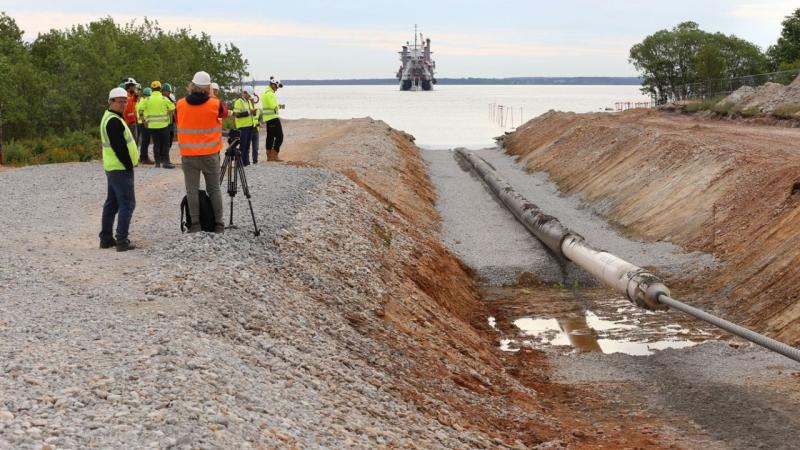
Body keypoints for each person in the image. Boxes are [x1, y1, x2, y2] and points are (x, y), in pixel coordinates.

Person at [176, 71, 229, 233]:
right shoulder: (215, 104)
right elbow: (225, 113)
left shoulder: (180, 104)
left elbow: (176, 119)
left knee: (191, 190)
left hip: (189, 156)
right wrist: (212, 96)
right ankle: (219, 224)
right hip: (210, 155)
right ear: (208, 88)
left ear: (191, 86)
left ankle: (195, 225)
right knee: (214, 189)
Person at [99, 87, 139, 251]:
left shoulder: (110, 117)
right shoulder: (113, 121)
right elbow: (119, 147)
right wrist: (129, 164)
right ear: (111, 102)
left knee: (112, 203)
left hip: (113, 167)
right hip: (120, 168)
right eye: (119, 102)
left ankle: (106, 238)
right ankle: (122, 240)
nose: (123, 105)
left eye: (125, 102)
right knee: (127, 203)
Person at [141, 80, 176, 169]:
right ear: (160, 88)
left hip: (152, 126)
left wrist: (144, 121)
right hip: (163, 126)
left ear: (152, 89)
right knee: (165, 144)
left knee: (156, 144)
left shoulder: (147, 99)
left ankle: (157, 163)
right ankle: (166, 162)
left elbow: (140, 110)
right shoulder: (164, 99)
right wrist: (168, 111)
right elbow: (173, 107)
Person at [233, 86, 257, 165]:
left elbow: (253, 114)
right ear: (245, 93)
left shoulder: (249, 102)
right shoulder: (239, 102)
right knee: (243, 146)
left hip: (250, 126)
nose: (250, 96)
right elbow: (237, 114)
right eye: (249, 95)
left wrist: (253, 109)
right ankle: (240, 163)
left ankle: (246, 162)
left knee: (247, 145)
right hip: (243, 127)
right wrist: (249, 112)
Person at [262, 77, 284, 162]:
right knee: (280, 137)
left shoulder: (265, 92)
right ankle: (274, 155)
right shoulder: (270, 94)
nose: (277, 88)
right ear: (272, 85)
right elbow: (273, 107)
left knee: (270, 137)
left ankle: (269, 156)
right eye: (277, 86)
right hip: (273, 118)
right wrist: (280, 106)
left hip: (268, 119)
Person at [137, 87, 154, 164]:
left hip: (142, 123)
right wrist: (144, 121)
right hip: (144, 123)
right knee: (145, 141)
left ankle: (142, 157)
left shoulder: (142, 101)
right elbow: (140, 112)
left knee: (145, 141)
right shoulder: (145, 101)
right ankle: (144, 158)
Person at [122, 77, 139, 142]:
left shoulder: (130, 95)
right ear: (130, 86)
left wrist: (135, 96)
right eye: (134, 86)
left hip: (131, 121)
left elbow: (133, 104)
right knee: (131, 141)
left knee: (133, 140)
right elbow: (127, 110)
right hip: (128, 122)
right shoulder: (126, 95)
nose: (135, 88)